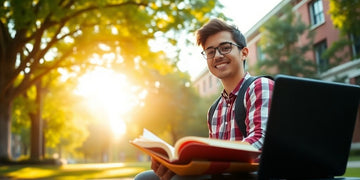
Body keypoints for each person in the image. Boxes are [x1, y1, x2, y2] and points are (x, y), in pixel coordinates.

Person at [134, 18, 274, 180]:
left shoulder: (259, 86)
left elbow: (260, 141)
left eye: (225, 48)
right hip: (222, 174)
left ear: (244, 53)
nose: (218, 56)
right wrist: (180, 164)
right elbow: (212, 156)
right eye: (210, 52)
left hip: (254, 173)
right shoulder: (214, 110)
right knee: (145, 178)